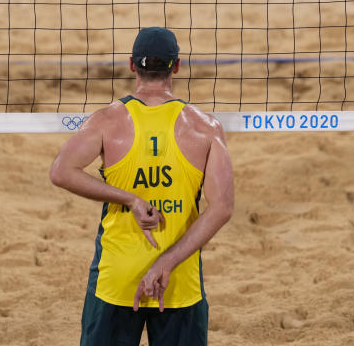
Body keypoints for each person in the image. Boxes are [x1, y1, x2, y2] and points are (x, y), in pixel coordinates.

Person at [50, 27, 234, 345]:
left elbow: (61, 172)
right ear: (176, 66)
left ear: (132, 65)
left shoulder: (107, 121)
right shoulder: (206, 128)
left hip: (116, 278)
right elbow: (222, 208)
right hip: (178, 281)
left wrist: (130, 198)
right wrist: (166, 262)